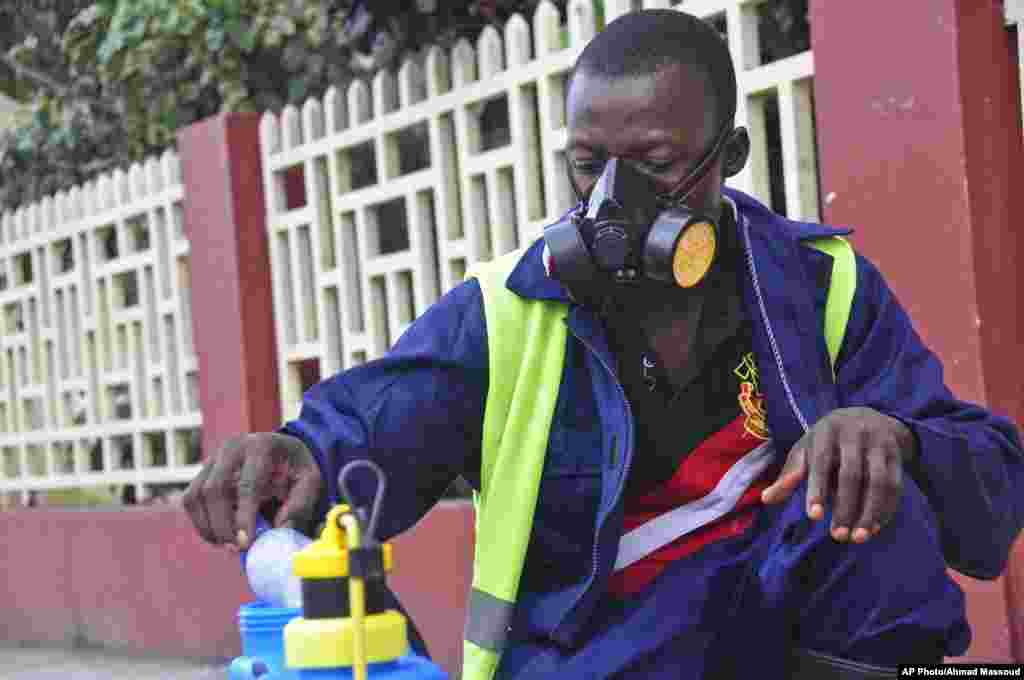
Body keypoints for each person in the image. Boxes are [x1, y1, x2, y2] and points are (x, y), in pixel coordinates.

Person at [184, 10, 1024, 679]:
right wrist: (295, 450)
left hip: (771, 641)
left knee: (871, 504)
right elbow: (370, 422)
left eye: (656, 164)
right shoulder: (511, 308)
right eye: (589, 165)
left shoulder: (823, 285)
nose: (612, 199)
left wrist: (895, 435)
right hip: (596, 657)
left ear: (727, 156)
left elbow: (988, 475)